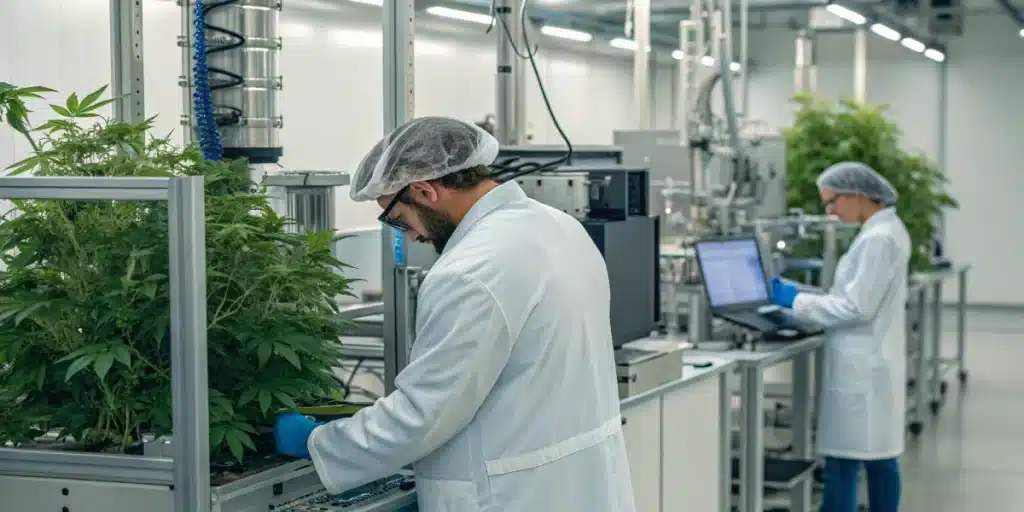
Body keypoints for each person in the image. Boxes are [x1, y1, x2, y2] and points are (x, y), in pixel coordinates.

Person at [274, 117, 636, 511]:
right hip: (577, 481)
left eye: (397, 218)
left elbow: (424, 415)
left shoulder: (471, 270)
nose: (408, 236)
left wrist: (320, 442)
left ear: (425, 190)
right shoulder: (559, 226)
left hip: (510, 494)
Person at [770, 162, 910, 512]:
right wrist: (804, 296)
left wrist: (796, 300)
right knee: (880, 459)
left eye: (833, 202)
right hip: (873, 362)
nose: (829, 211)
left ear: (859, 195)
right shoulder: (885, 230)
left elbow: (856, 308)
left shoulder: (879, 239)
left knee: (844, 463)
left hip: (861, 367)